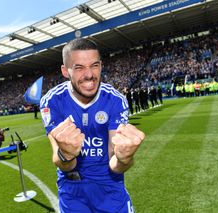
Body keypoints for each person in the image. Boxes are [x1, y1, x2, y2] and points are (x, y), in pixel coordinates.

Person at [40, 38, 145, 213]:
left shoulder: (115, 100)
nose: (89, 74)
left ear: (101, 66)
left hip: (109, 184)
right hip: (72, 188)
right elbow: (62, 162)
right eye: (79, 67)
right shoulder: (51, 101)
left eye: (94, 65)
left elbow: (115, 165)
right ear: (66, 71)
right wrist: (66, 154)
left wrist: (124, 158)